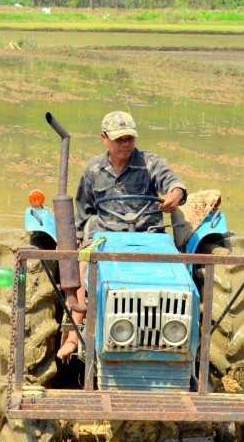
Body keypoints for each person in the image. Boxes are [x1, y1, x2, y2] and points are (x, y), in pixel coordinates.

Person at [57, 110, 187, 359]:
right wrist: (76, 244)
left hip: (149, 237)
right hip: (107, 236)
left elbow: (173, 182)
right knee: (83, 263)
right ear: (104, 138)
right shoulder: (93, 168)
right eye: (119, 139)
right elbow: (84, 211)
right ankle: (74, 334)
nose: (126, 144)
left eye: (130, 138)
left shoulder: (150, 162)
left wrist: (175, 195)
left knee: (181, 271)